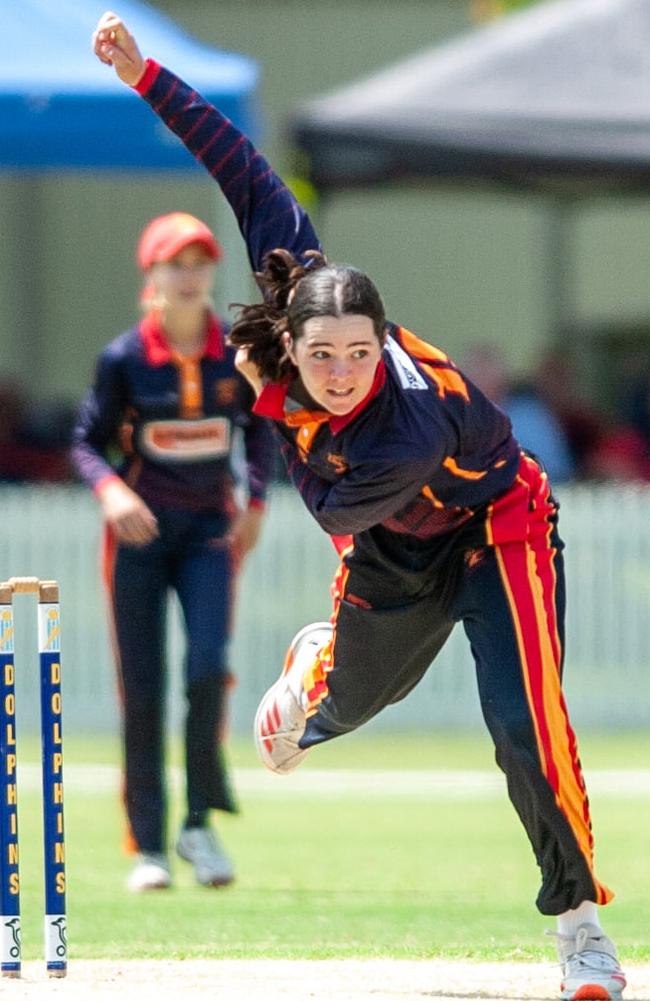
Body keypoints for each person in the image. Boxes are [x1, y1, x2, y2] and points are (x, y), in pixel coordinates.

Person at [92, 13, 626, 998]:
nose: (341, 373)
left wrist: (260, 390)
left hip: (495, 521)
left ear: (381, 343)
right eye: (321, 353)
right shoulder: (298, 283)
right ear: (290, 329)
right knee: (344, 708)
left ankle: (580, 925)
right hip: (391, 542)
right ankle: (320, 665)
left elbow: (335, 504)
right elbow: (242, 165)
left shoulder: (407, 422)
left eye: (358, 353)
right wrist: (146, 76)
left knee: (523, 723)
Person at [72, 205, 273, 891]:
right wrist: (112, 493)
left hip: (210, 536)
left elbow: (263, 427)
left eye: (198, 263)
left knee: (208, 670)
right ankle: (148, 845)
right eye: (174, 264)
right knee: (143, 688)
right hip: (139, 538)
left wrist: (257, 501)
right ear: (152, 274)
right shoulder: (125, 358)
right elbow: (85, 442)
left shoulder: (236, 353)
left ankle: (199, 826)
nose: (188, 277)